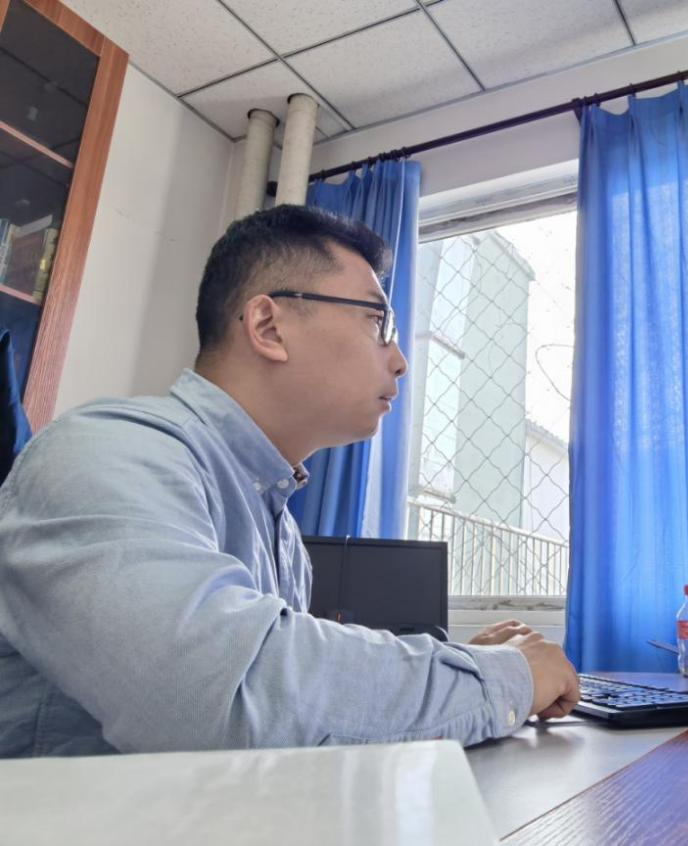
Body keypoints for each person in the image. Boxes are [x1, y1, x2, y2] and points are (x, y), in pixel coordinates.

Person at [0, 206, 580, 757]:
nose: (400, 360)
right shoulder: (109, 451)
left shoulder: (276, 525)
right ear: (268, 326)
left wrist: (453, 669)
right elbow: (228, 696)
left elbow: (294, 684)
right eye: (378, 322)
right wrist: (503, 677)